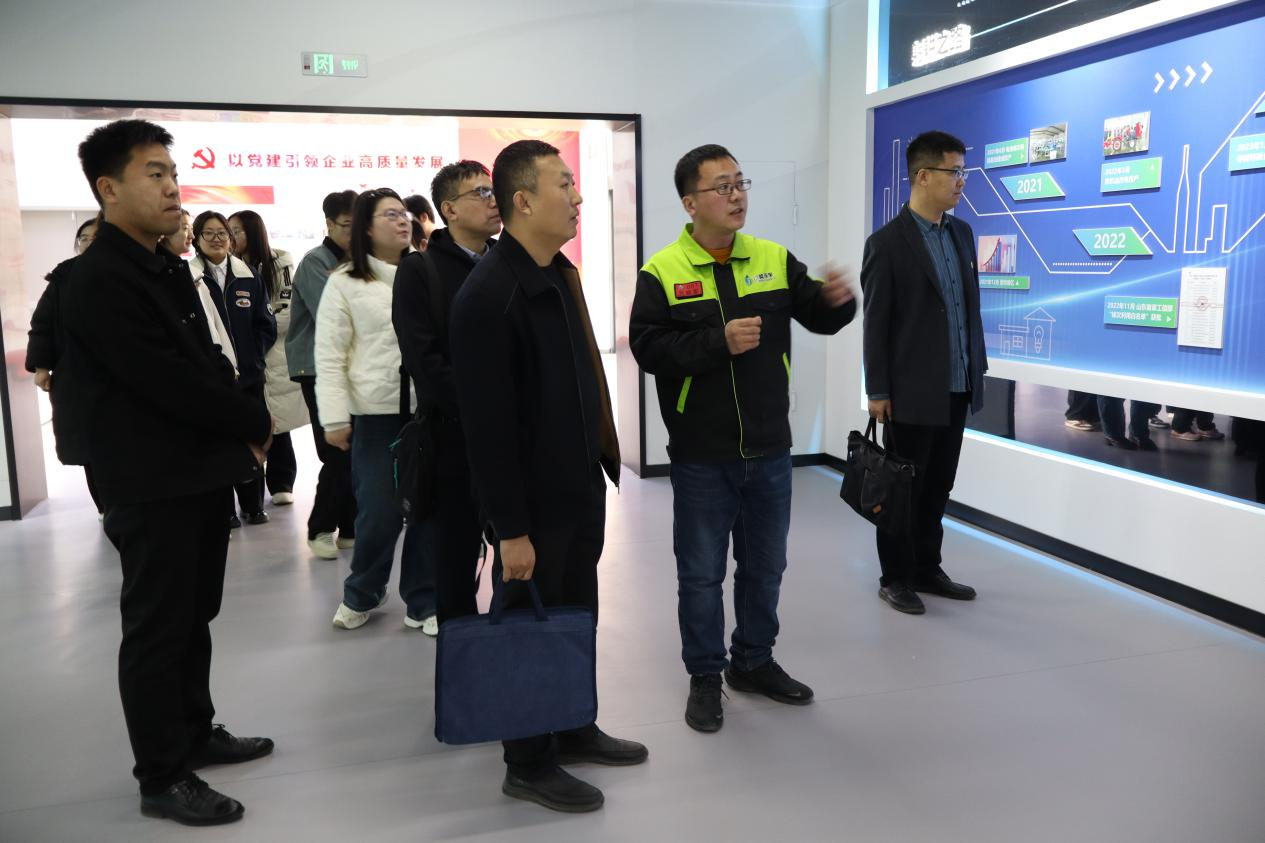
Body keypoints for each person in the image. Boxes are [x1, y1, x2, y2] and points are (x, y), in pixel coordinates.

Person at [61, 119, 274, 827]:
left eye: (172, 172)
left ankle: (194, 730)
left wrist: (242, 417)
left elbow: (207, 359)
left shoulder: (163, 265)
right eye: (153, 173)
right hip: (147, 479)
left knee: (193, 614)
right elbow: (163, 378)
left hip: (195, 470)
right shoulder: (97, 279)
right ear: (108, 188)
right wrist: (249, 421)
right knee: (157, 626)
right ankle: (162, 774)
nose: (171, 186)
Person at [629, 144, 856, 734]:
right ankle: (705, 675)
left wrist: (838, 301)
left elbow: (819, 315)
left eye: (740, 183)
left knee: (765, 566)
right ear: (690, 203)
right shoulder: (662, 272)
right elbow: (649, 350)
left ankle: (753, 661)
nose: (736, 196)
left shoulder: (772, 258)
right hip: (702, 454)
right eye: (721, 186)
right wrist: (717, 342)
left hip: (770, 447)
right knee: (702, 572)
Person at [450, 140, 647, 813]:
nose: (578, 195)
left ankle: (572, 722)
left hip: (575, 487)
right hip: (530, 505)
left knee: (573, 611)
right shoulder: (490, 295)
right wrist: (510, 529)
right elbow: (487, 428)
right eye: (564, 184)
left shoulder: (556, 275)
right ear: (523, 201)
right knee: (529, 624)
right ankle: (529, 761)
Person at [861, 130, 987, 616]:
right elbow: (876, 323)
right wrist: (878, 388)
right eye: (954, 172)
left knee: (938, 486)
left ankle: (927, 568)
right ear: (923, 176)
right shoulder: (887, 244)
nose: (961, 181)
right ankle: (895, 576)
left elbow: (967, 309)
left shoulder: (962, 234)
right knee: (903, 489)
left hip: (958, 384)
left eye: (962, 172)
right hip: (910, 390)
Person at [316, 188, 437, 633]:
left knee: (428, 510)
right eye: (390, 215)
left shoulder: (426, 271)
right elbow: (330, 354)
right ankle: (363, 591)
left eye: (404, 214)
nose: (403, 221)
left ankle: (424, 600)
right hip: (376, 413)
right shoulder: (345, 282)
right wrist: (334, 417)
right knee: (378, 512)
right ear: (366, 228)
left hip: (428, 410)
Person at [393, 160, 500, 624]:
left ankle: (512, 645)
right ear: (449, 209)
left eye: (493, 190)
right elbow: (425, 361)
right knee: (455, 560)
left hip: (511, 437)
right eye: (480, 193)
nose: (493, 201)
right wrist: (483, 409)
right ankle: (461, 647)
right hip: (454, 437)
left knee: (518, 554)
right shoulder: (421, 270)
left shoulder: (508, 262)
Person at [189, 210, 277, 527]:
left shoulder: (248, 275)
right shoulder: (189, 278)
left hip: (250, 377)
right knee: (219, 444)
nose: (217, 239)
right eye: (209, 233)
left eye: (222, 233)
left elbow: (266, 325)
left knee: (252, 438)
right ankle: (224, 509)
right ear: (196, 239)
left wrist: (253, 358)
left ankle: (253, 505)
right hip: (214, 381)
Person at [287, 190, 358, 558]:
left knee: (353, 450)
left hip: (352, 369)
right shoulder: (316, 262)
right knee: (338, 450)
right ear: (329, 224)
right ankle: (320, 528)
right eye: (346, 226)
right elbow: (334, 315)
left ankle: (349, 528)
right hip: (317, 368)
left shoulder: (360, 260)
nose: (353, 233)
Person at [229, 210, 307, 505]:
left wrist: (258, 330)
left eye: (237, 230)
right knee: (249, 420)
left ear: (252, 232)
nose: (231, 237)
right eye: (228, 230)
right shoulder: (228, 265)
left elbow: (288, 310)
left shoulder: (279, 262)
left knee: (278, 421)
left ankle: (282, 481)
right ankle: (251, 490)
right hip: (242, 356)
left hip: (272, 353)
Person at [26, 216, 102, 514]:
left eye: (96, 237)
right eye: (83, 238)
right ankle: (104, 508)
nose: (89, 243)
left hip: (121, 374)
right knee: (89, 445)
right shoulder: (64, 276)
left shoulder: (125, 273)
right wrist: (41, 366)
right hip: (76, 374)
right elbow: (42, 324)